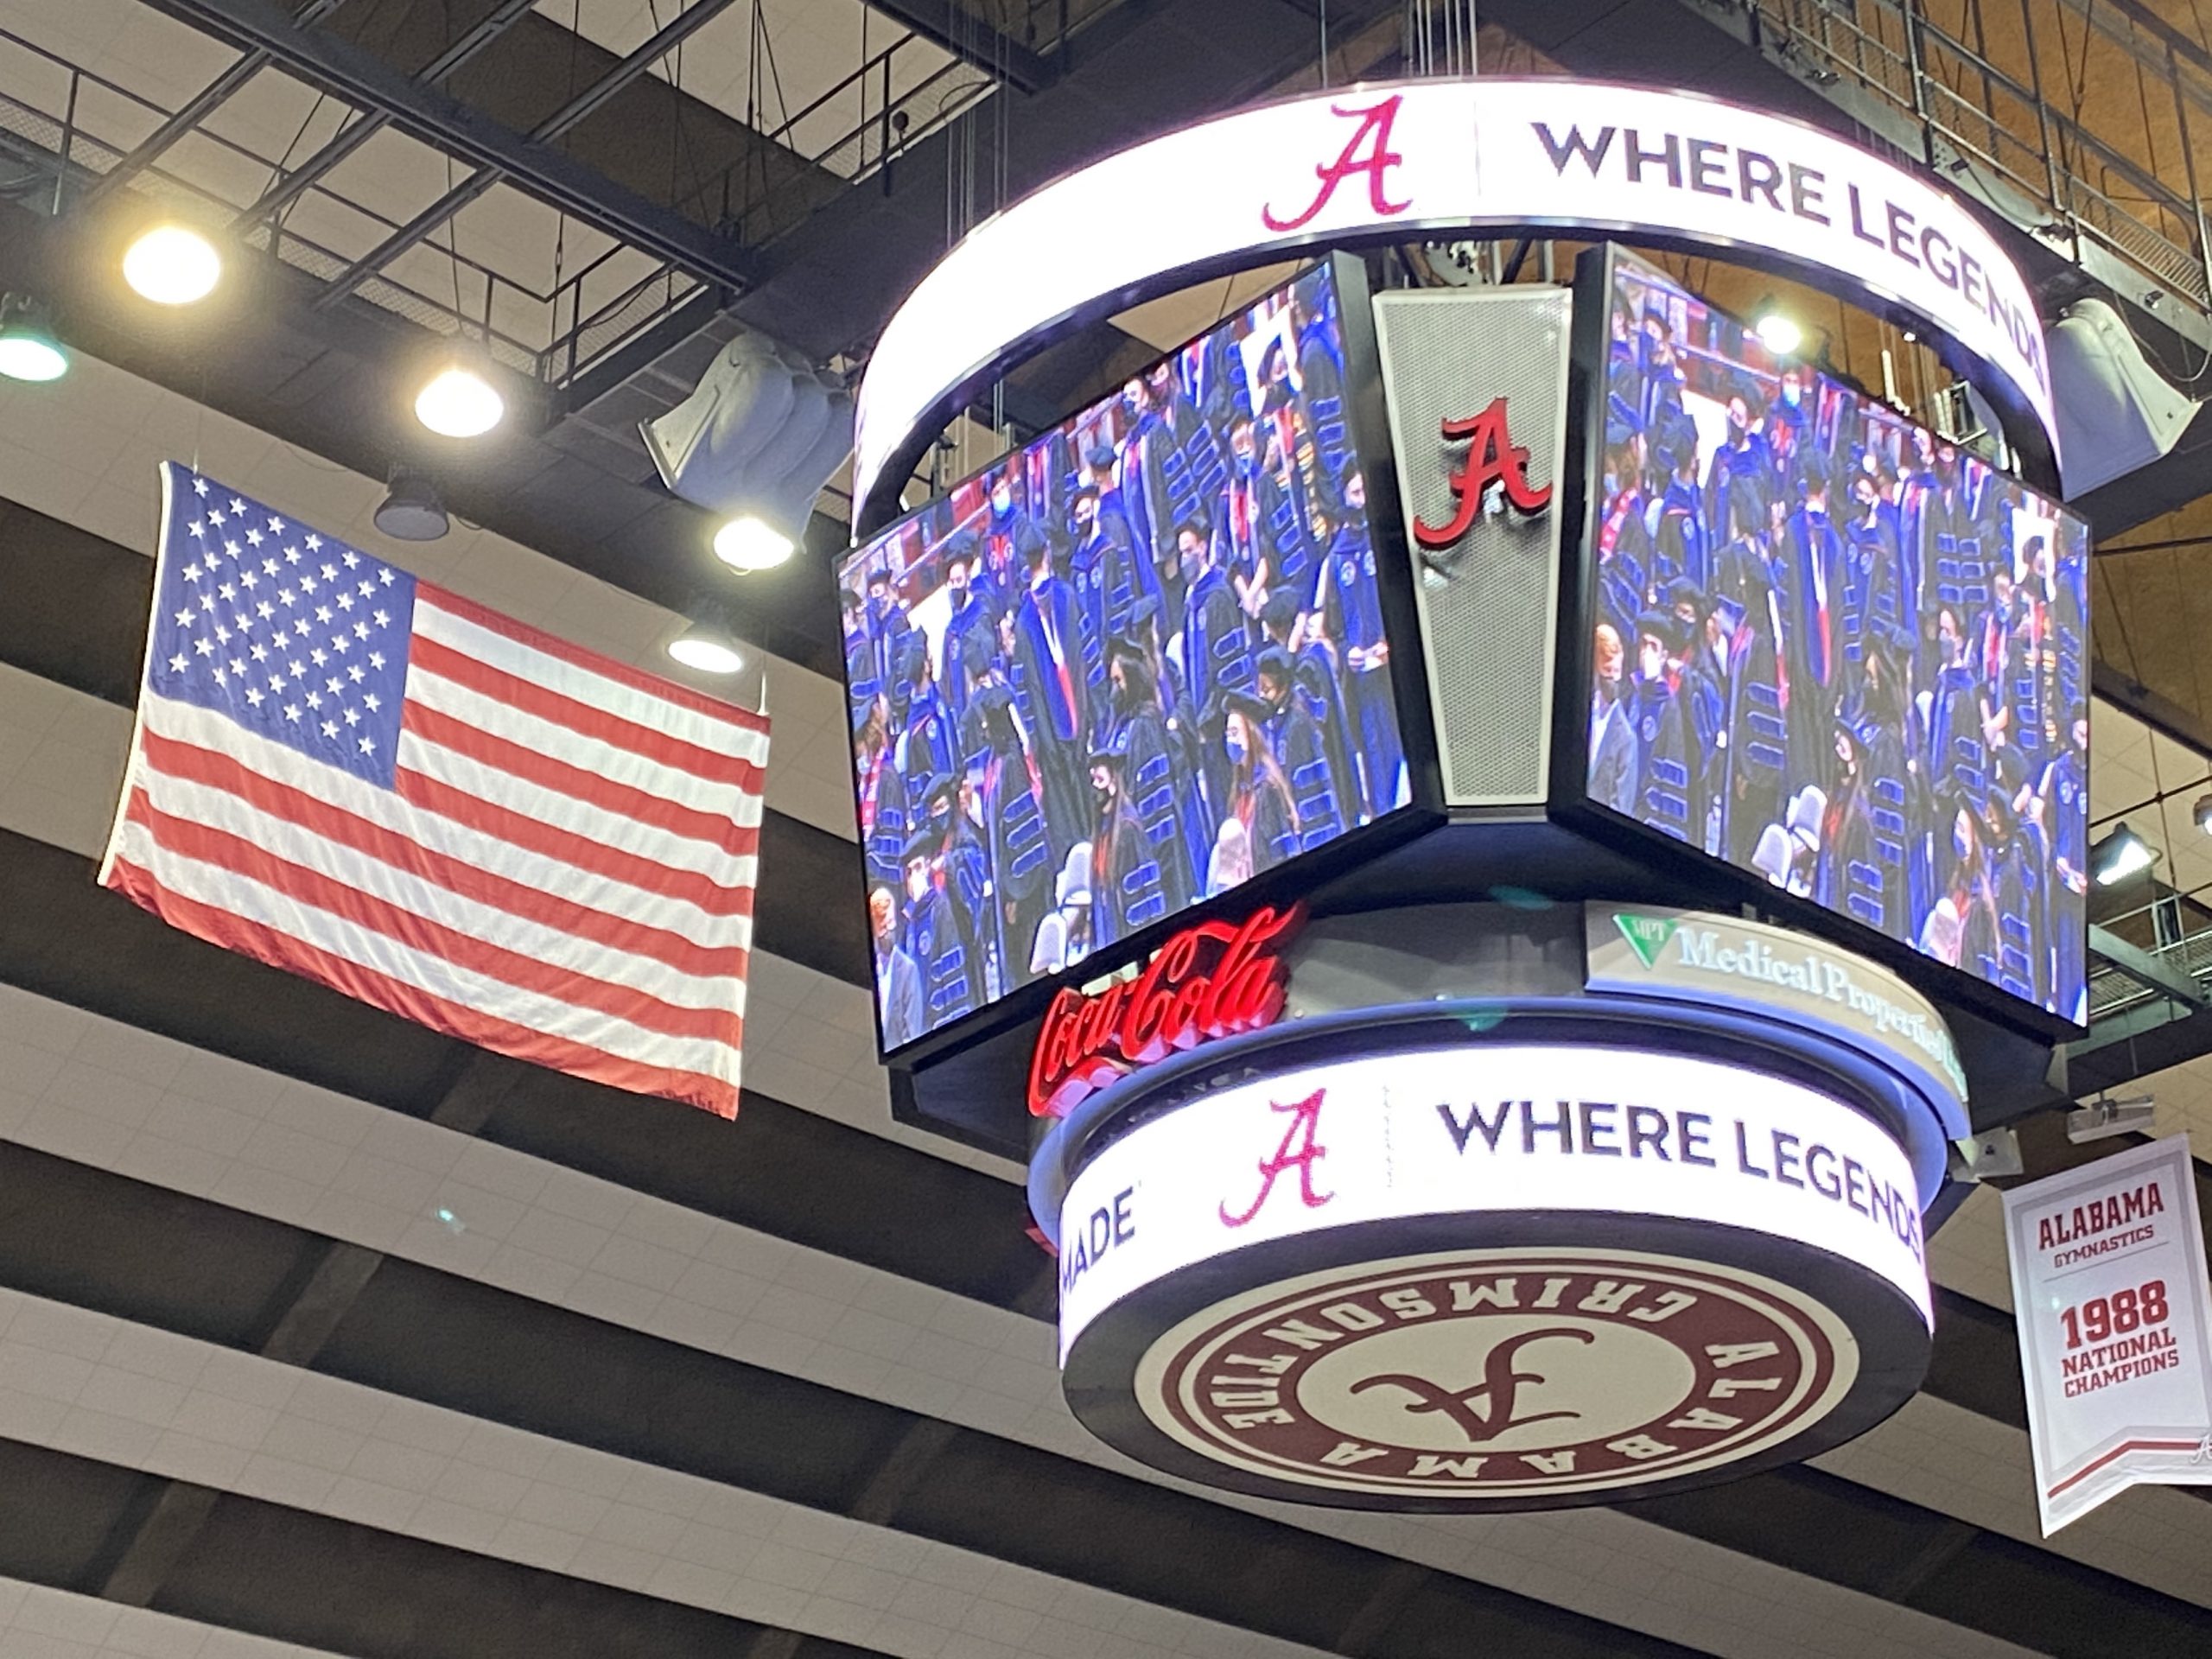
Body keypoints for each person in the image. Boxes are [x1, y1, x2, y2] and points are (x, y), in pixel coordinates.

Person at [1313, 463, 1402, 814]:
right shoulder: (1336, 560)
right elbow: (1332, 627)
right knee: (1374, 750)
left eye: (1365, 492)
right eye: (1355, 494)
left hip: (1396, 672)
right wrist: (1347, 651)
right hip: (1363, 679)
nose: (1361, 501)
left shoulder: (1386, 541)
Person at [1257, 645, 1344, 851]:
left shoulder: (1297, 724)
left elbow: (1310, 785)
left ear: (1284, 686)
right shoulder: (1277, 721)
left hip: (1316, 828)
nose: (1261, 695)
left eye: (1267, 689)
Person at [1086, 741, 1166, 948]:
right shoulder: (1103, 827)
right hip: (1107, 920)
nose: (1095, 788)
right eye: (1092, 779)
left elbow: (1141, 896)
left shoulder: (1127, 828)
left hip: (1126, 930)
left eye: (1099, 778)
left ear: (1114, 779)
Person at [899, 829, 977, 1027]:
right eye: (909, 872)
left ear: (927, 867)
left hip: (940, 1022)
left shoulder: (940, 907)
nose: (913, 878)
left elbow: (951, 969)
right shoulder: (909, 921)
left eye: (917, 868)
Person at [1220, 689, 1300, 874]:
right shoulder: (1240, 791)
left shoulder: (1267, 787)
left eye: (1235, 732)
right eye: (1228, 734)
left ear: (1251, 735)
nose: (1230, 740)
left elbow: (1280, 857)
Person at [1588, 622, 1638, 816]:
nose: (1613, 681)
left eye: (1616, 673)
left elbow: (1621, 808)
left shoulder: (1626, 738)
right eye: (1606, 672)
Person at [869, 886, 926, 1050]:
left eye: (889, 922)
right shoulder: (870, 967)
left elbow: (912, 1032)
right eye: (881, 923)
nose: (886, 930)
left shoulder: (908, 970)